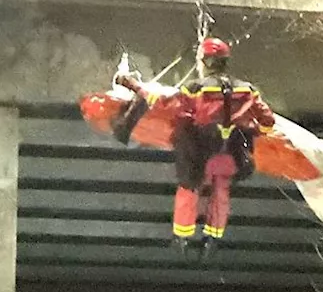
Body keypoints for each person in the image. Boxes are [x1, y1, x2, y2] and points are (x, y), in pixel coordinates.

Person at [116, 37, 276, 261]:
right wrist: (252, 129)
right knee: (221, 192)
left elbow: (164, 102)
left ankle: (181, 239)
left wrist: (132, 85)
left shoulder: (196, 89)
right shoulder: (248, 90)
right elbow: (268, 121)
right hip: (232, 156)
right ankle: (212, 241)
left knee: (188, 191)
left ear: (205, 61)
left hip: (202, 154)